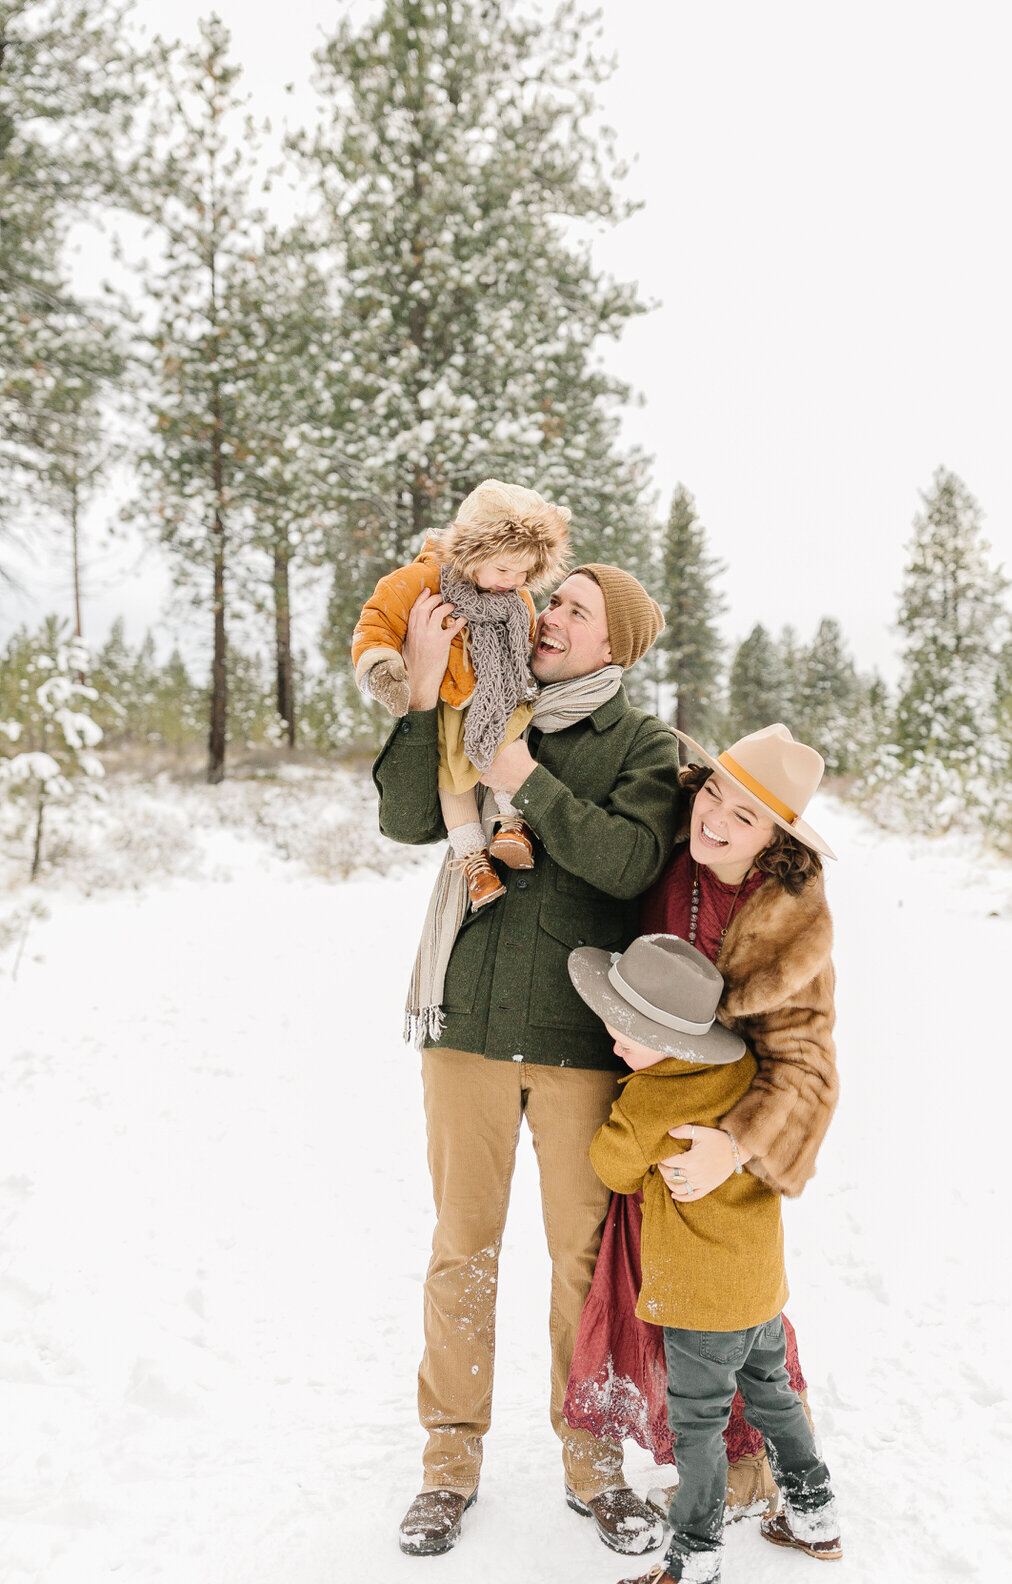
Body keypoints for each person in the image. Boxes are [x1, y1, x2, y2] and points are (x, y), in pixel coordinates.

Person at [372, 559, 681, 1557]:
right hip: (465, 1021)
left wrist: (529, 783)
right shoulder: (484, 698)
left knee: (583, 1265)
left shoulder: (641, 744)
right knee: (463, 1250)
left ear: (614, 644)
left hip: (578, 1041)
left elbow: (629, 861)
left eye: (574, 610)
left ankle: (594, 1468)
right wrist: (425, 694)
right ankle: (447, 1468)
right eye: (553, 599)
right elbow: (408, 818)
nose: (548, 616)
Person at [564, 723, 840, 1547]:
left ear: (777, 843)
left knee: (740, 1320)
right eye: (714, 792)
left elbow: (809, 1068)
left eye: (745, 815)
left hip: (722, 1139)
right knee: (657, 1298)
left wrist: (736, 1145)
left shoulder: (788, 921)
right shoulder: (669, 855)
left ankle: (742, 1490)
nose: (716, 818)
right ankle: (664, 1463)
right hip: (653, 1106)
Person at [352, 478, 571, 910]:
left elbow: (523, 647)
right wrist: (384, 667)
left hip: (504, 699)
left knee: (509, 748)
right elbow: (378, 620)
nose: (515, 581)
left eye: (525, 572)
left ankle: (511, 824)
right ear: (472, 552)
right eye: (504, 569)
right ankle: (473, 859)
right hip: (451, 706)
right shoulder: (422, 582)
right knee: (453, 777)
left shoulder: (518, 601)